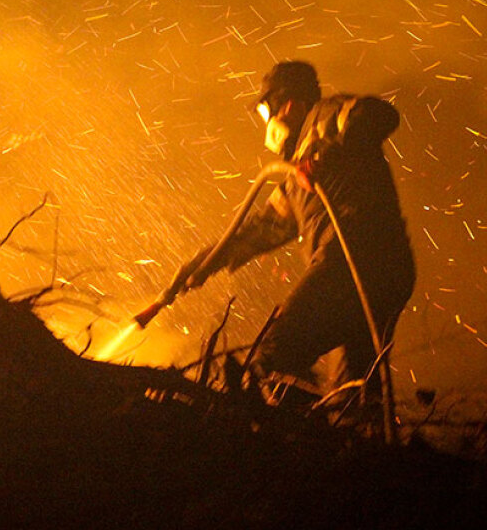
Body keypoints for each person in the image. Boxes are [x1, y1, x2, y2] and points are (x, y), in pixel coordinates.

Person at [168, 61, 415, 405]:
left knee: (274, 355)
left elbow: (378, 114)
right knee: (353, 391)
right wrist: (205, 263)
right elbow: (266, 227)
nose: (268, 123)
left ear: (291, 104)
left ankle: (293, 442)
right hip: (388, 270)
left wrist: (322, 157)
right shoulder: (295, 172)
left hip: (353, 262)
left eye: (267, 109)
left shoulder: (324, 117)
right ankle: (361, 447)